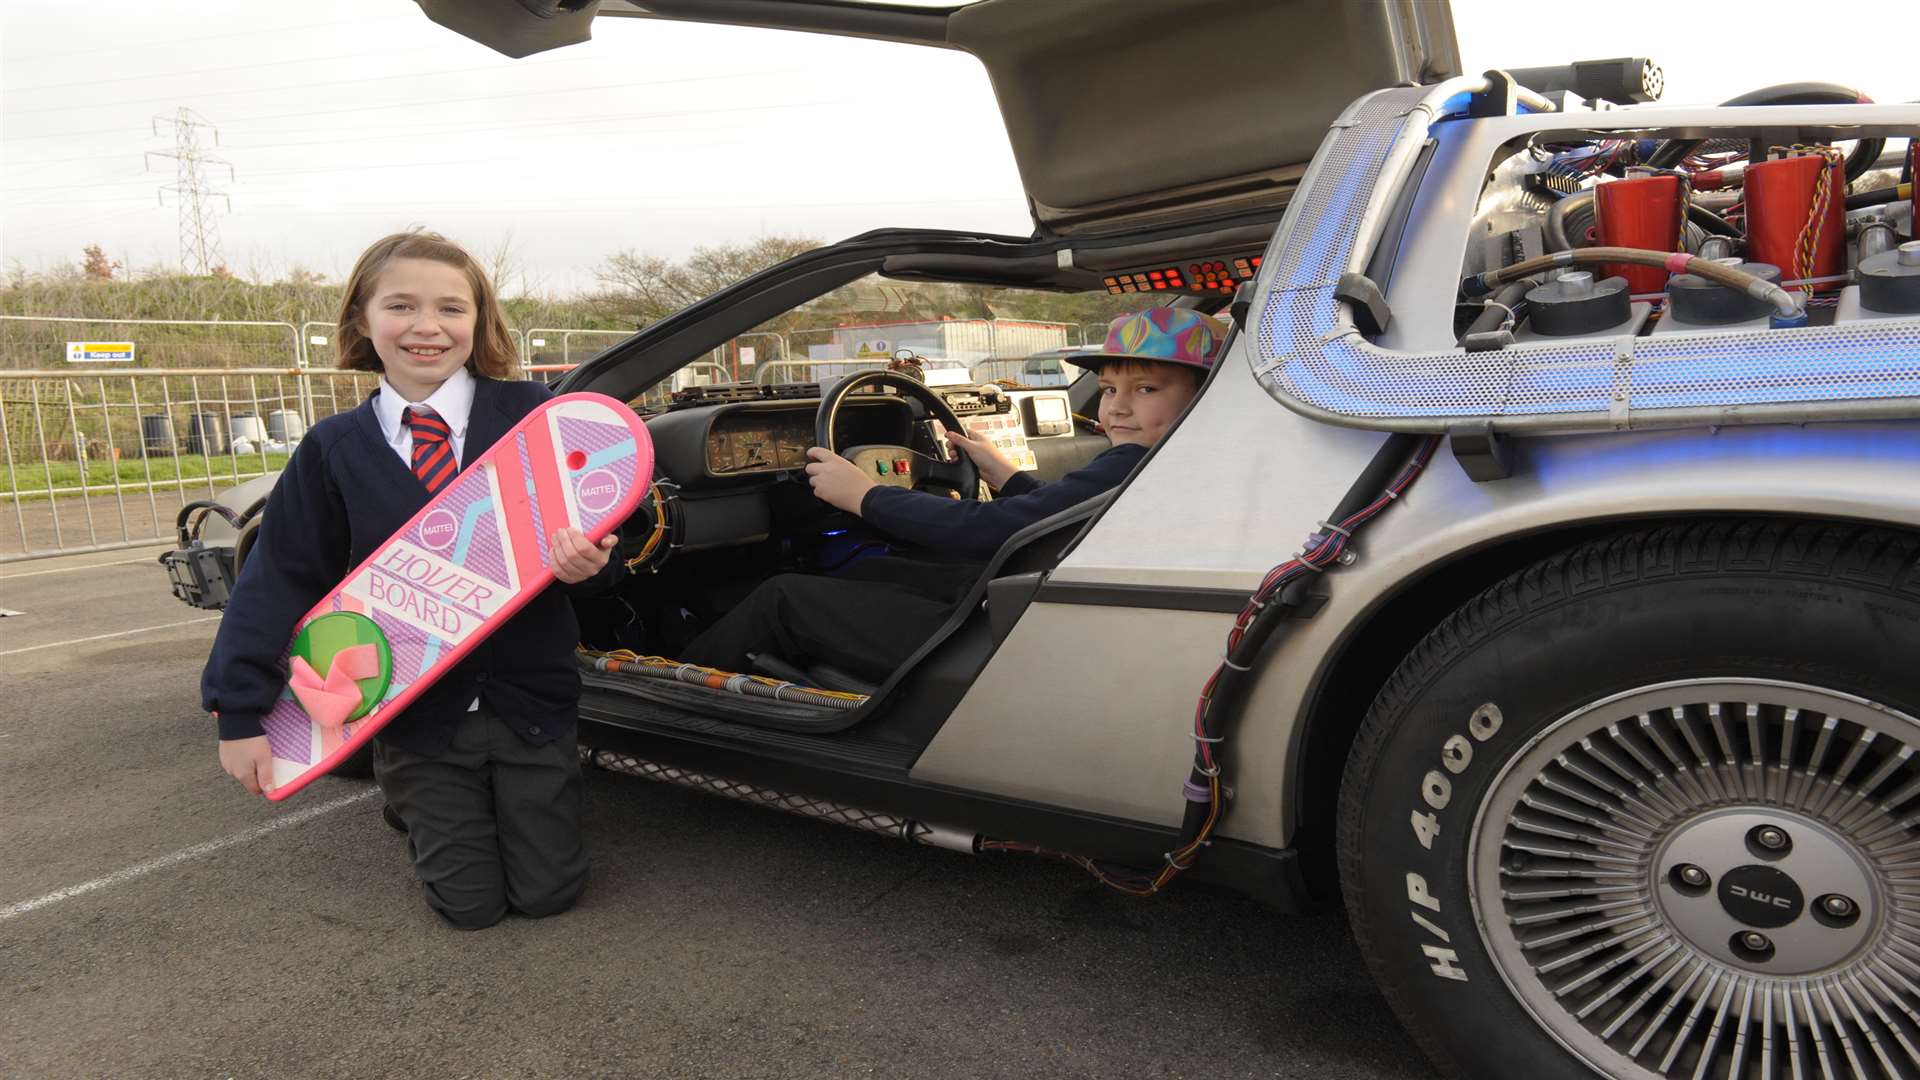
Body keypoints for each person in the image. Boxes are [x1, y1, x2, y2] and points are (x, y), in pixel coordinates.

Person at [203, 229, 622, 931]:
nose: (427, 327)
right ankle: (413, 801)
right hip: (414, 714)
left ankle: (488, 814)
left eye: (451, 310)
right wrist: (240, 711)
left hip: (530, 701)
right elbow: (278, 576)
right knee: (470, 909)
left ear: (479, 323)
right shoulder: (334, 447)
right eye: (401, 306)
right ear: (362, 320)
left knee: (549, 895)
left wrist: (596, 562)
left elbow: (612, 524)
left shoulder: (532, 416)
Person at [680, 306, 1225, 683]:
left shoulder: (1131, 462)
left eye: (1146, 389)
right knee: (867, 570)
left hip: (1004, 637)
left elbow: (991, 529)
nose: (1117, 408)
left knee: (784, 595)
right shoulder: (1174, 466)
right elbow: (1056, 519)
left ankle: (678, 682)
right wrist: (1007, 475)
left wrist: (866, 496)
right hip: (1032, 604)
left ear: (1208, 396)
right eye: (1109, 389)